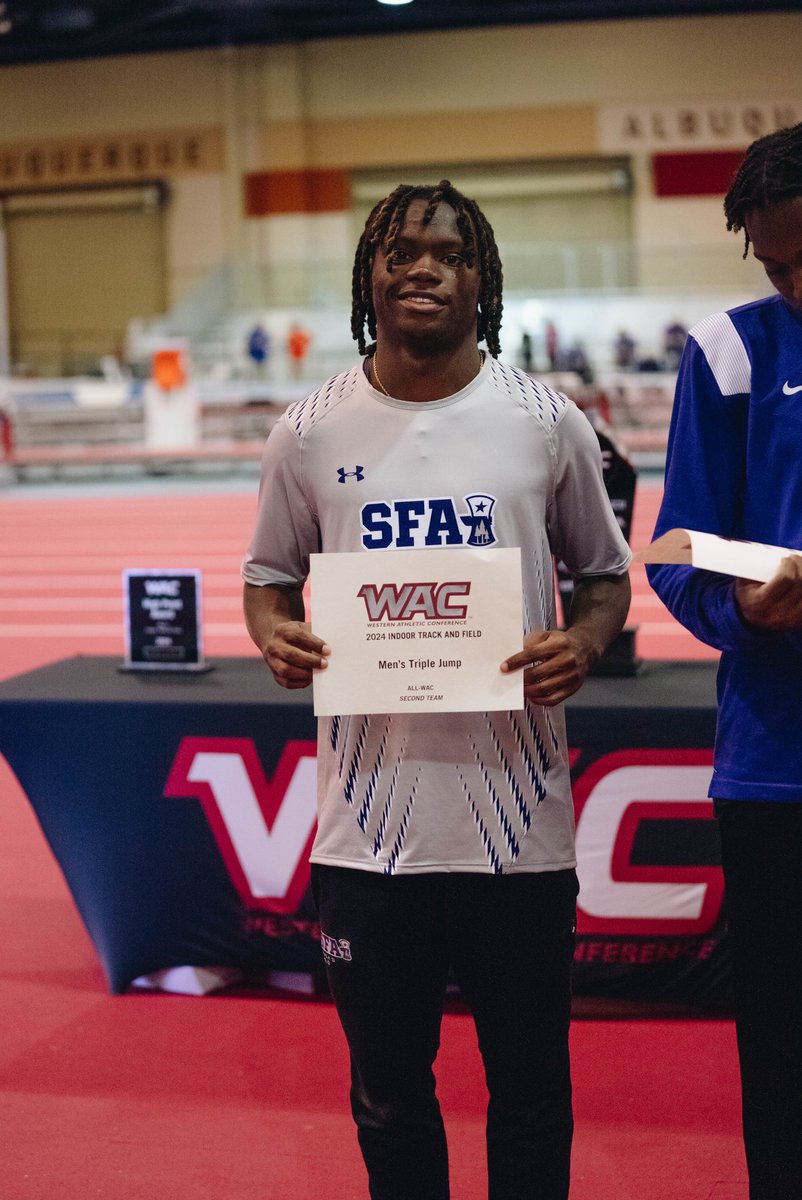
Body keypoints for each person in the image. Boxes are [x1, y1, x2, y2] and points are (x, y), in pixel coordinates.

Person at [242, 180, 631, 1200]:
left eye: (449, 254)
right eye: (401, 250)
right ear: (369, 274)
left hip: (519, 832)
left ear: (479, 279)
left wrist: (582, 646)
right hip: (367, 836)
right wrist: (277, 638)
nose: (423, 266)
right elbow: (266, 581)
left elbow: (604, 576)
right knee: (387, 1099)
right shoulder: (309, 429)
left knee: (533, 1096)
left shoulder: (547, 422)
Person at [646, 122, 802, 1200]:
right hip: (776, 768)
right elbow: (678, 547)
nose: (795, 283)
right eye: (776, 263)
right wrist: (745, 610)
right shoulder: (732, 351)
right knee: (784, 1046)